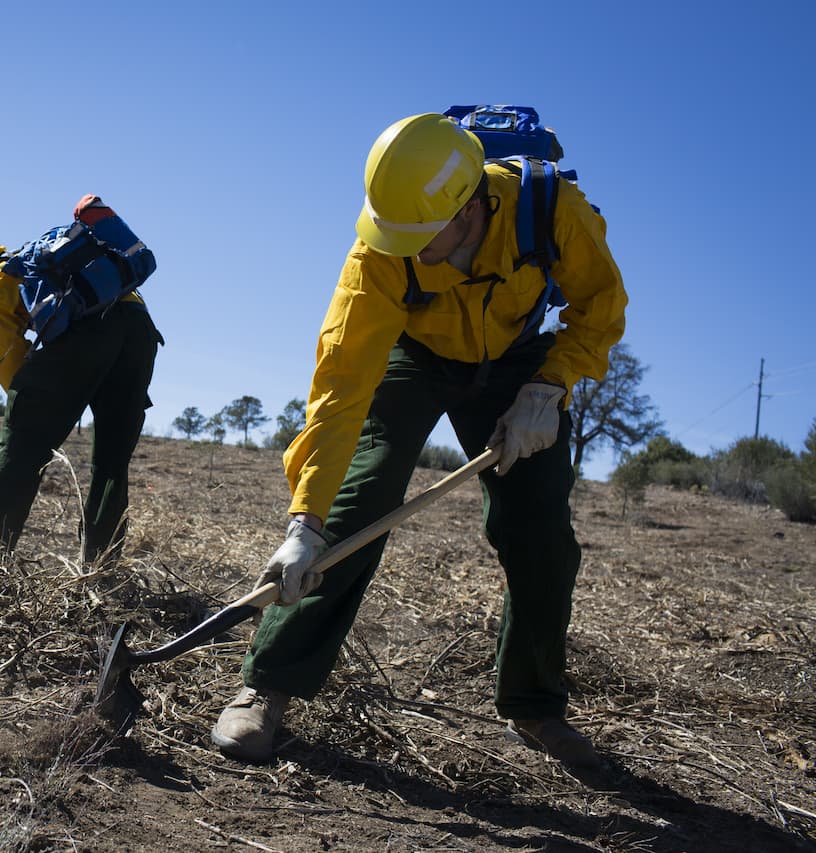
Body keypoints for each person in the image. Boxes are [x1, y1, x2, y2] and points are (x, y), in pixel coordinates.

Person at [210, 113, 627, 768]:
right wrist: (305, 521)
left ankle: (537, 705)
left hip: (519, 365)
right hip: (417, 357)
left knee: (541, 528)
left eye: (419, 236)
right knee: (360, 497)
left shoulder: (552, 212)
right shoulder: (378, 253)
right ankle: (267, 685)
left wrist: (551, 385)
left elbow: (600, 306)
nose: (403, 248)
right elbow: (340, 387)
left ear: (469, 208)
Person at [0, 197, 163, 576]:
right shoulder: (57, 263)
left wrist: (43, 419)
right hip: (139, 330)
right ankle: (100, 569)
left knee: (22, 444)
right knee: (111, 462)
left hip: (87, 335)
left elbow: (11, 374)